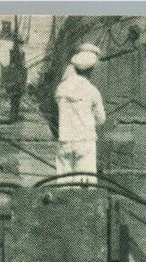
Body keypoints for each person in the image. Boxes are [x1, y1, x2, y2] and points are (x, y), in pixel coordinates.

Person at [53, 44, 106, 183]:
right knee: (85, 185)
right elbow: (101, 119)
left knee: (63, 184)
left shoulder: (61, 88)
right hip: (85, 142)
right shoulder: (92, 91)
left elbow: (55, 112)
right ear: (90, 70)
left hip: (65, 141)